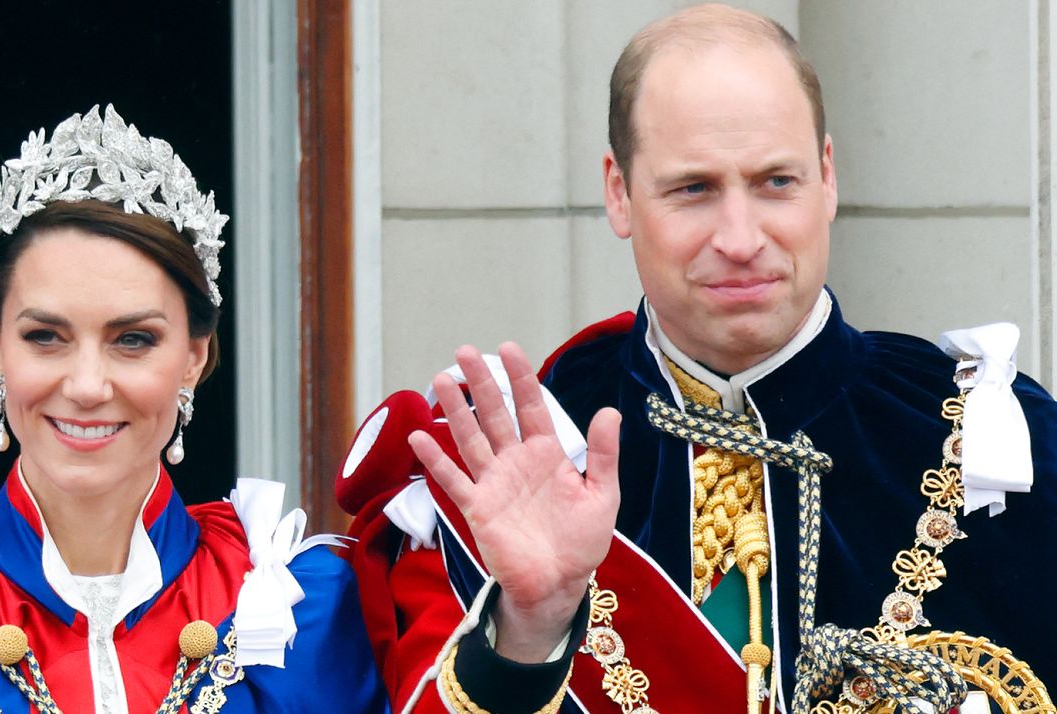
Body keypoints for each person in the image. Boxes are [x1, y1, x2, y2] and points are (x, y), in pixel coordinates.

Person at [335, 5, 1057, 713]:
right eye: (694, 189)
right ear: (619, 193)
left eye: (777, 181)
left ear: (828, 177)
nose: (740, 237)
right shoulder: (519, 462)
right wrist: (530, 628)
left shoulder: (999, 444)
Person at [0, 105, 388, 713]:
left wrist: (489, 616)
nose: (89, 385)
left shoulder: (298, 603)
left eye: (133, 340)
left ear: (195, 357)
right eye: (46, 337)